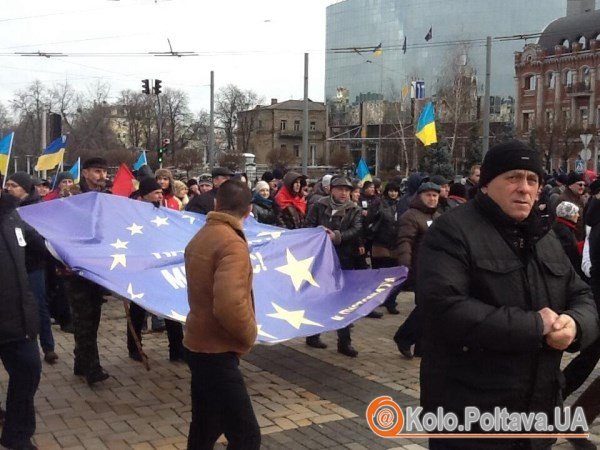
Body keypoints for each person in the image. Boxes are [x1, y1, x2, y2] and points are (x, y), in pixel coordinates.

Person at [418, 140, 599, 450]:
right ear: (487, 185)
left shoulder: (545, 236)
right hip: (471, 415)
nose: (524, 188)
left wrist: (575, 325)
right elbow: (444, 309)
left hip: (536, 417)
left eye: (533, 180)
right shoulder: (452, 232)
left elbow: (582, 294)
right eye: (513, 177)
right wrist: (535, 327)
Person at [184, 180, 260, 450]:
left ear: (217, 204)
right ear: (249, 210)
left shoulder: (203, 235)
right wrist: (250, 333)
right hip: (217, 350)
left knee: (206, 426)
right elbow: (229, 304)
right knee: (246, 436)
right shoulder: (232, 244)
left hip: (198, 343)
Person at [0, 189, 44, 450]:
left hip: (17, 317)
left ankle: (17, 434)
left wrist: (70, 259)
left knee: (28, 371)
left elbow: (40, 243)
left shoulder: (12, 215)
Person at [126, 178, 185, 363]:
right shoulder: (134, 214)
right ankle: (134, 347)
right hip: (143, 269)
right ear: (145, 195)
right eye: (156, 193)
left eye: (161, 193)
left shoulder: (164, 213)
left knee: (170, 309)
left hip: (162, 267)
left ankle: (177, 349)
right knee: (138, 309)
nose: (160, 196)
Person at [304, 176, 363, 357]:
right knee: (319, 297)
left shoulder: (354, 210)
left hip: (344, 259)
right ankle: (313, 335)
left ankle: (344, 341)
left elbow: (357, 229)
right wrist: (318, 232)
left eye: (347, 190)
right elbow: (307, 225)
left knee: (343, 301)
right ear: (331, 190)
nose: (344, 193)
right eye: (340, 189)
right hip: (321, 260)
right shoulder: (319, 205)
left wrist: (336, 236)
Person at [65, 157, 111, 386]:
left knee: (93, 319)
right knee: (83, 319)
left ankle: (80, 362)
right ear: (85, 173)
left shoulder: (107, 198)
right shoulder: (71, 196)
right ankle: (92, 369)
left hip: (98, 268)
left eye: (103, 171)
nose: (101, 175)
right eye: (96, 171)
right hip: (76, 268)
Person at [5, 172, 57, 364]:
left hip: (34, 266)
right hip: (13, 267)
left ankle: (48, 346)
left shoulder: (37, 209)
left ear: (25, 189)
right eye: (8, 185)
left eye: (14, 185)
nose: (9, 189)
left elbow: (43, 241)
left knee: (38, 306)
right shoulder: (7, 209)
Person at [393, 181, 441, 358]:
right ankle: (404, 338)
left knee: (429, 307)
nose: (432, 199)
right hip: (419, 269)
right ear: (420, 196)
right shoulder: (411, 216)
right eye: (428, 195)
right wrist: (406, 266)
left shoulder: (437, 216)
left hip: (436, 269)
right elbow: (405, 241)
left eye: (435, 195)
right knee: (425, 307)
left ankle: (422, 347)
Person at [370, 181, 402, 314]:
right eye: (390, 190)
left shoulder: (402, 204)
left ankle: (391, 301)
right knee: (382, 274)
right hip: (381, 242)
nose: (393, 193)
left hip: (396, 243)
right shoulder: (379, 203)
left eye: (395, 190)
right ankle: (379, 300)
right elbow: (371, 219)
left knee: (394, 276)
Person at [553, 201, 585, 280]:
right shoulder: (564, 232)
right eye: (575, 213)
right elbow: (570, 253)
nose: (578, 215)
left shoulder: (561, 227)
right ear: (569, 215)